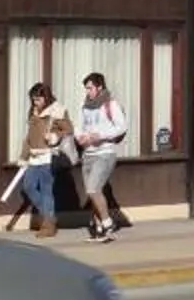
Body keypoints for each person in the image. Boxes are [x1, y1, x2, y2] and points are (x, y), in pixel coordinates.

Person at [7, 83, 69, 236]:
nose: (35, 103)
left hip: (48, 156)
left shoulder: (57, 111)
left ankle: (48, 226)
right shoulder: (33, 112)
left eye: (38, 99)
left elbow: (68, 129)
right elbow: (29, 137)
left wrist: (55, 136)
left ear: (46, 98)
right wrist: (23, 156)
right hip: (34, 157)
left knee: (47, 191)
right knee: (28, 186)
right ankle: (50, 217)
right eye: (33, 100)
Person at [75, 72, 130, 241]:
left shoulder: (110, 105)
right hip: (88, 154)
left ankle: (107, 223)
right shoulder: (85, 106)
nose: (88, 92)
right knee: (92, 192)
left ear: (100, 87)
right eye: (86, 88)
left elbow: (121, 127)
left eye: (90, 88)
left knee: (93, 189)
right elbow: (78, 127)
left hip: (105, 152)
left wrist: (100, 135)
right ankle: (99, 229)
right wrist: (80, 137)